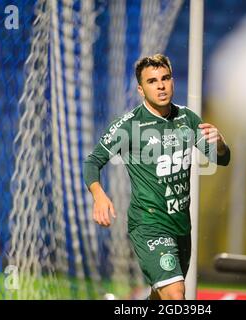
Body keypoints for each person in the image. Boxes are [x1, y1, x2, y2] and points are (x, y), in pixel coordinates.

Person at [83, 54, 230, 300]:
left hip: (181, 225)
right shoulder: (128, 126)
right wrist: (98, 195)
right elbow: (92, 162)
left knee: (161, 295)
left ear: (172, 81)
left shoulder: (187, 119)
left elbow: (221, 159)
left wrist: (221, 143)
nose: (160, 85)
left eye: (165, 78)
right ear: (141, 89)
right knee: (176, 293)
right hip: (149, 224)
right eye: (152, 81)